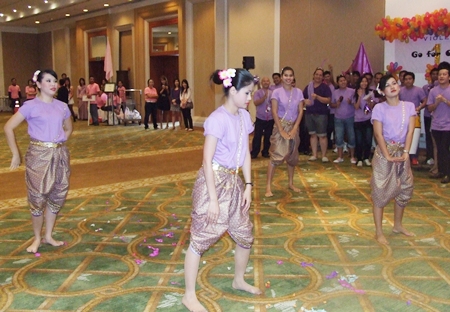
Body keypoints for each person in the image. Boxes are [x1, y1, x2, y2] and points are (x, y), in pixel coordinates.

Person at [182, 68, 261, 312]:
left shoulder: (244, 117)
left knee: (244, 233)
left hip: (234, 182)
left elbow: (246, 154)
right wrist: (213, 200)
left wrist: (248, 185)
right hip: (212, 182)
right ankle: (189, 295)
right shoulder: (216, 119)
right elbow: (206, 161)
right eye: (247, 93)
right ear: (233, 90)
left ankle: (238, 279)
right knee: (201, 236)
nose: (250, 98)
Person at [3, 69, 72, 254]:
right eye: (48, 80)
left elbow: (68, 128)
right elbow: (8, 127)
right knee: (37, 197)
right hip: (38, 155)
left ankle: (48, 235)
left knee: (57, 194)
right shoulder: (30, 106)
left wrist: (58, 142)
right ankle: (36, 237)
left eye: (55, 81)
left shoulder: (62, 106)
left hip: (59, 155)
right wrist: (15, 153)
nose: (53, 84)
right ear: (39, 84)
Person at [371, 74, 416, 245]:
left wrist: (406, 152)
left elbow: (411, 131)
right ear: (382, 91)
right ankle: (379, 231)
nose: (392, 87)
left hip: (402, 152)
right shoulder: (379, 109)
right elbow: (378, 134)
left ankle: (398, 225)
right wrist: (387, 154)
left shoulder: (409, 106)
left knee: (405, 187)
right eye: (388, 85)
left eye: (394, 83)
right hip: (385, 152)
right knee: (380, 189)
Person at [265, 66, 304, 197]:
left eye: (290, 75)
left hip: (293, 127)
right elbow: (274, 112)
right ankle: (268, 187)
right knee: (276, 156)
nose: (288, 78)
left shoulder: (298, 92)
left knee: (292, 156)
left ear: (293, 77)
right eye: (286, 75)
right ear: (282, 77)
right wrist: (281, 130)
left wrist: (294, 129)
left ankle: (291, 183)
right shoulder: (276, 92)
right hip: (280, 126)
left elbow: (300, 112)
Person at [427, 61, 450, 184]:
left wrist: (444, 100)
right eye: (440, 74)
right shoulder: (433, 91)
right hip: (436, 125)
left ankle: (447, 173)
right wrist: (436, 103)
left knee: (445, 149)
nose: (441, 76)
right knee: (440, 150)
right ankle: (441, 171)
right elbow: (429, 108)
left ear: (449, 77)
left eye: (444, 74)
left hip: (448, 125)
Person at [303, 67, 332, 162]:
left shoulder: (325, 87)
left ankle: (324, 155)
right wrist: (305, 101)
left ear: (322, 77)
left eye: (320, 75)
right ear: (313, 75)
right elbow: (302, 99)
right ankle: (314, 154)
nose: (318, 76)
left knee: (322, 135)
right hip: (309, 113)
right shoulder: (308, 87)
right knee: (312, 135)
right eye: (317, 74)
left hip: (321, 114)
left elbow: (328, 100)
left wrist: (317, 97)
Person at [399, 72, 426, 165]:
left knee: (414, 137)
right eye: (406, 79)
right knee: (403, 137)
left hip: (414, 117)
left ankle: (414, 157)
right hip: (402, 117)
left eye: (410, 79)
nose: (408, 81)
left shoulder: (418, 90)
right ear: (403, 80)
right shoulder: (400, 90)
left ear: (413, 80)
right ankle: (403, 156)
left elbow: (425, 101)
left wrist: (419, 108)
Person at [331, 75, 356, 163]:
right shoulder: (335, 92)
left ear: (347, 81)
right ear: (338, 83)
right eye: (340, 81)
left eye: (344, 80)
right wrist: (336, 104)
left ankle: (352, 156)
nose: (343, 82)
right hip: (338, 118)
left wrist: (351, 103)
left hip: (350, 117)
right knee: (339, 137)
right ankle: (340, 156)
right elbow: (331, 104)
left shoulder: (352, 91)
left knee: (351, 137)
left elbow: (357, 104)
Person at [353, 76, 375, 167]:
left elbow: (371, 107)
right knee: (359, 140)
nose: (364, 83)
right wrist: (359, 96)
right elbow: (356, 107)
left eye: (366, 81)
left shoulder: (371, 93)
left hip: (368, 119)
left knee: (368, 140)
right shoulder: (355, 93)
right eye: (362, 81)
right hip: (358, 120)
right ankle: (359, 159)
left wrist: (369, 101)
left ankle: (366, 157)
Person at [251, 76, 274, 159]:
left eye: (267, 81)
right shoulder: (257, 92)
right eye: (264, 81)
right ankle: (254, 152)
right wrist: (264, 98)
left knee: (268, 136)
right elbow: (256, 103)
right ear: (261, 83)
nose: (265, 82)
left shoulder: (273, 93)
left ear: (269, 83)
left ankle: (265, 152)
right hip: (260, 117)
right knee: (257, 136)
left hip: (270, 118)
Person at [423, 67, 439, 167]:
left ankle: (437, 158)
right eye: (433, 74)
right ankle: (429, 156)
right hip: (428, 115)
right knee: (428, 136)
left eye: (437, 74)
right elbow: (425, 100)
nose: (435, 76)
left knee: (437, 138)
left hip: (439, 115)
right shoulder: (426, 87)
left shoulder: (443, 88)